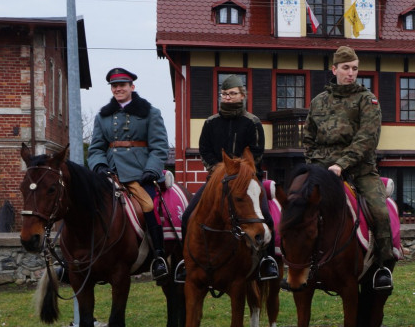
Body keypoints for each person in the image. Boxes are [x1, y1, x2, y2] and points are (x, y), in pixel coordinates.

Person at [303, 46, 395, 291]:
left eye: (354, 68)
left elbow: (367, 138)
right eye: (345, 68)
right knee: (296, 205)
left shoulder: (368, 100)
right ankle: (294, 263)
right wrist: (314, 166)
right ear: (334, 70)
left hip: (360, 170)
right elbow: (308, 137)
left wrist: (341, 165)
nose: (351, 73)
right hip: (322, 171)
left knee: (380, 212)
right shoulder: (318, 101)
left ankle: (383, 266)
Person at [175, 75, 279, 283]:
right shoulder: (211, 122)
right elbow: (204, 150)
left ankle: (268, 261)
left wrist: (237, 172)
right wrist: (217, 170)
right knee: (188, 216)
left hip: (247, 182)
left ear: (242, 95)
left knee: (267, 217)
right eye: (224, 94)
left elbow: (256, 153)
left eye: (232, 94)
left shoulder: (253, 122)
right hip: (217, 179)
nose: (227, 97)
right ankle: (184, 261)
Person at [87, 67, 171, 279]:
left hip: (141, 174)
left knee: (149, 206)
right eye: (114, 86)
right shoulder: (103, 117)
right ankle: (82, 258)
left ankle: (159, 257)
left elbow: (159, 147)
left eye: (122, 85)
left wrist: (151, 170)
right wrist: (99, 165)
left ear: (132, 87)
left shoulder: (151, 113)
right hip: (110, 173)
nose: (118, 89)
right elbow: (96, 148)